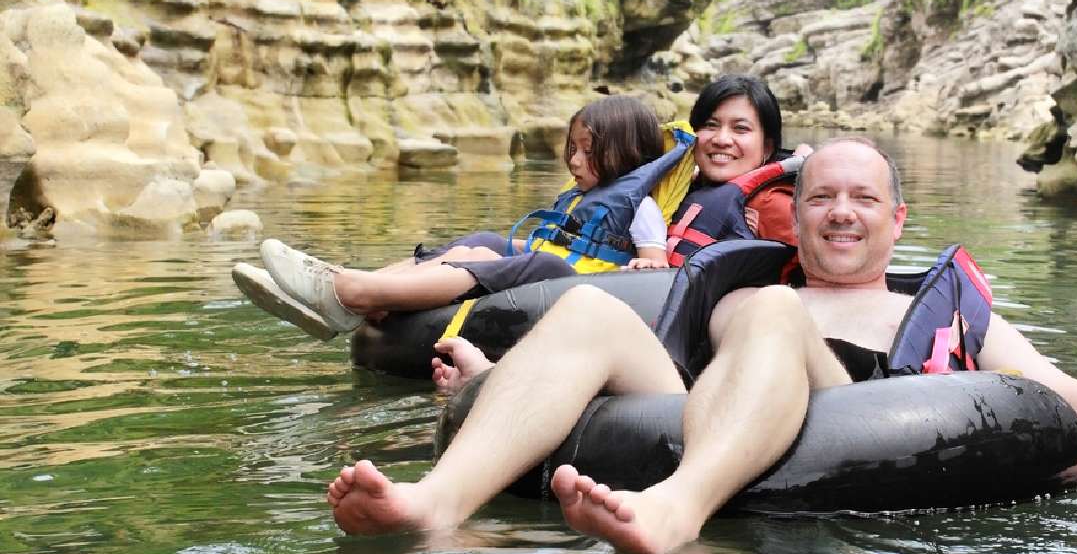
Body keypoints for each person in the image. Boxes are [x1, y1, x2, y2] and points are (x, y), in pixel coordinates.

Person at [324, 137, 1077, 554]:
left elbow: (1061, 395)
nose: (840, 212)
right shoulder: (749, 285)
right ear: (795, 213)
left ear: (897, 221)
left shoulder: (950, 317)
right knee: (593, 309)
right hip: (712, 396)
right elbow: (648, 378)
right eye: (821, 198)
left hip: (862, 415)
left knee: (772, 315)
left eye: (861, 199)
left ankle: (677, 507)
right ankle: (434, 505)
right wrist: (487, 383)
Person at [235, 75, 800, 340]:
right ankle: (343, 290)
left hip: (651, 306)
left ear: (768, 146)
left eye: (740, 129)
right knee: (487, 240)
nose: (721, 139)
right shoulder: (677, 185)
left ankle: (354, 295)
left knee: (541, 266)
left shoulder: (764, 202)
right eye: (710, 125)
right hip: (619, 283)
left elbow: (784, 278)